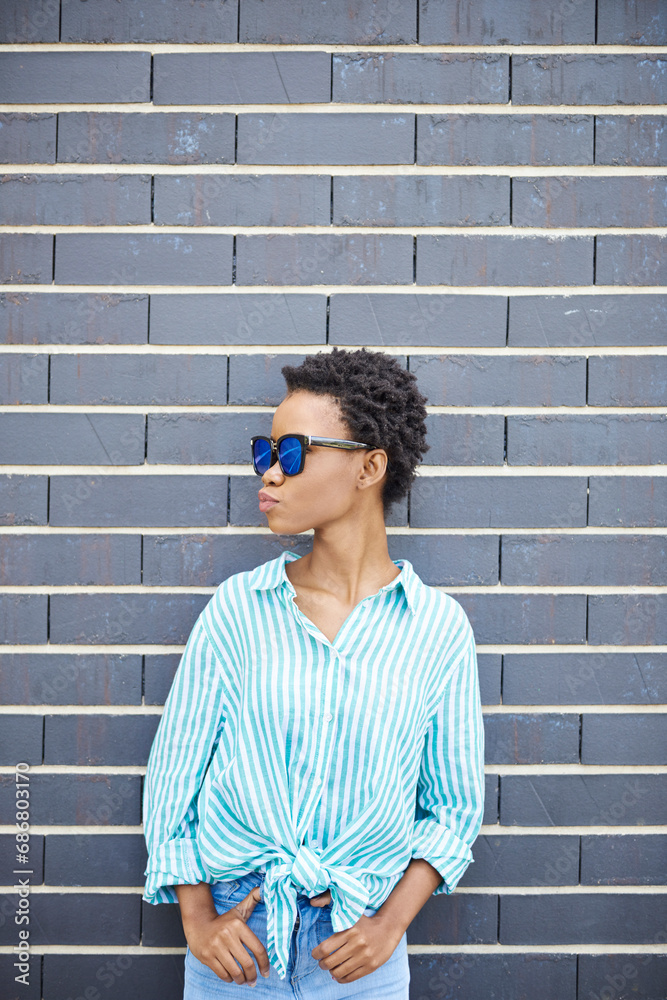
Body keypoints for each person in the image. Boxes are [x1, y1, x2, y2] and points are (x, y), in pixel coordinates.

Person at [142, 346, 485, 997]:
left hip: (357, 955)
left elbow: (451, 811)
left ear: (369, 466)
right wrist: (197, 919)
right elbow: (173, 780)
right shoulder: (238, 610)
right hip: (238, 948)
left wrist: (388, 928)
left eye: (292, 452)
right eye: (263, 452)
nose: (268, 474)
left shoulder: (436, 629)